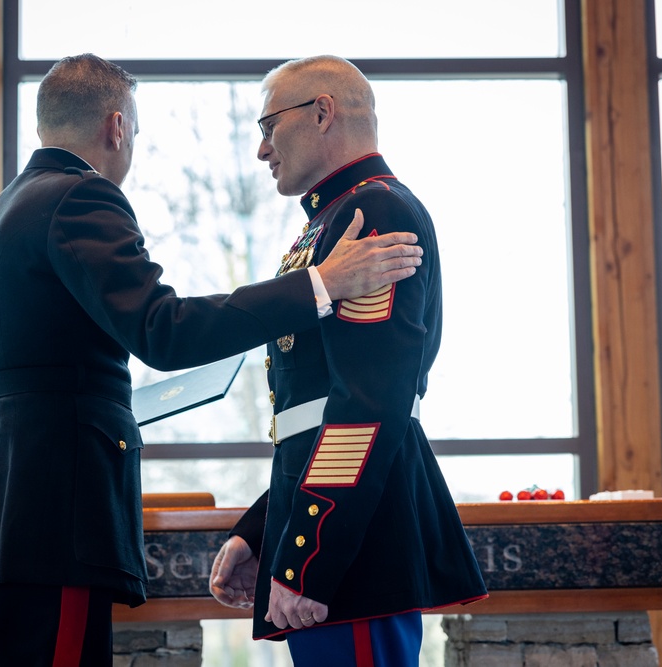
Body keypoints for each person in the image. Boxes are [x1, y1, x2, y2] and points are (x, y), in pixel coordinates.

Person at [0, 53, 424, 667]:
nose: (262, 150)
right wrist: (318, 286)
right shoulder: (83, 198)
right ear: (117, 127)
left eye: (269, 127)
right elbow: (164, 333)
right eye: (135, 134)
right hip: (59, 521)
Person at [209, 55, 488, 665]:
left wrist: (311, 550)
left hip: (354, 546)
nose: (261, 151)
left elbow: (368, 401)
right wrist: (264, 529)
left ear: (322, 112)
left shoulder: (374, 213)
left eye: (267, 127)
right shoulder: (333, 221)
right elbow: (311, 412)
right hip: (346, 529)